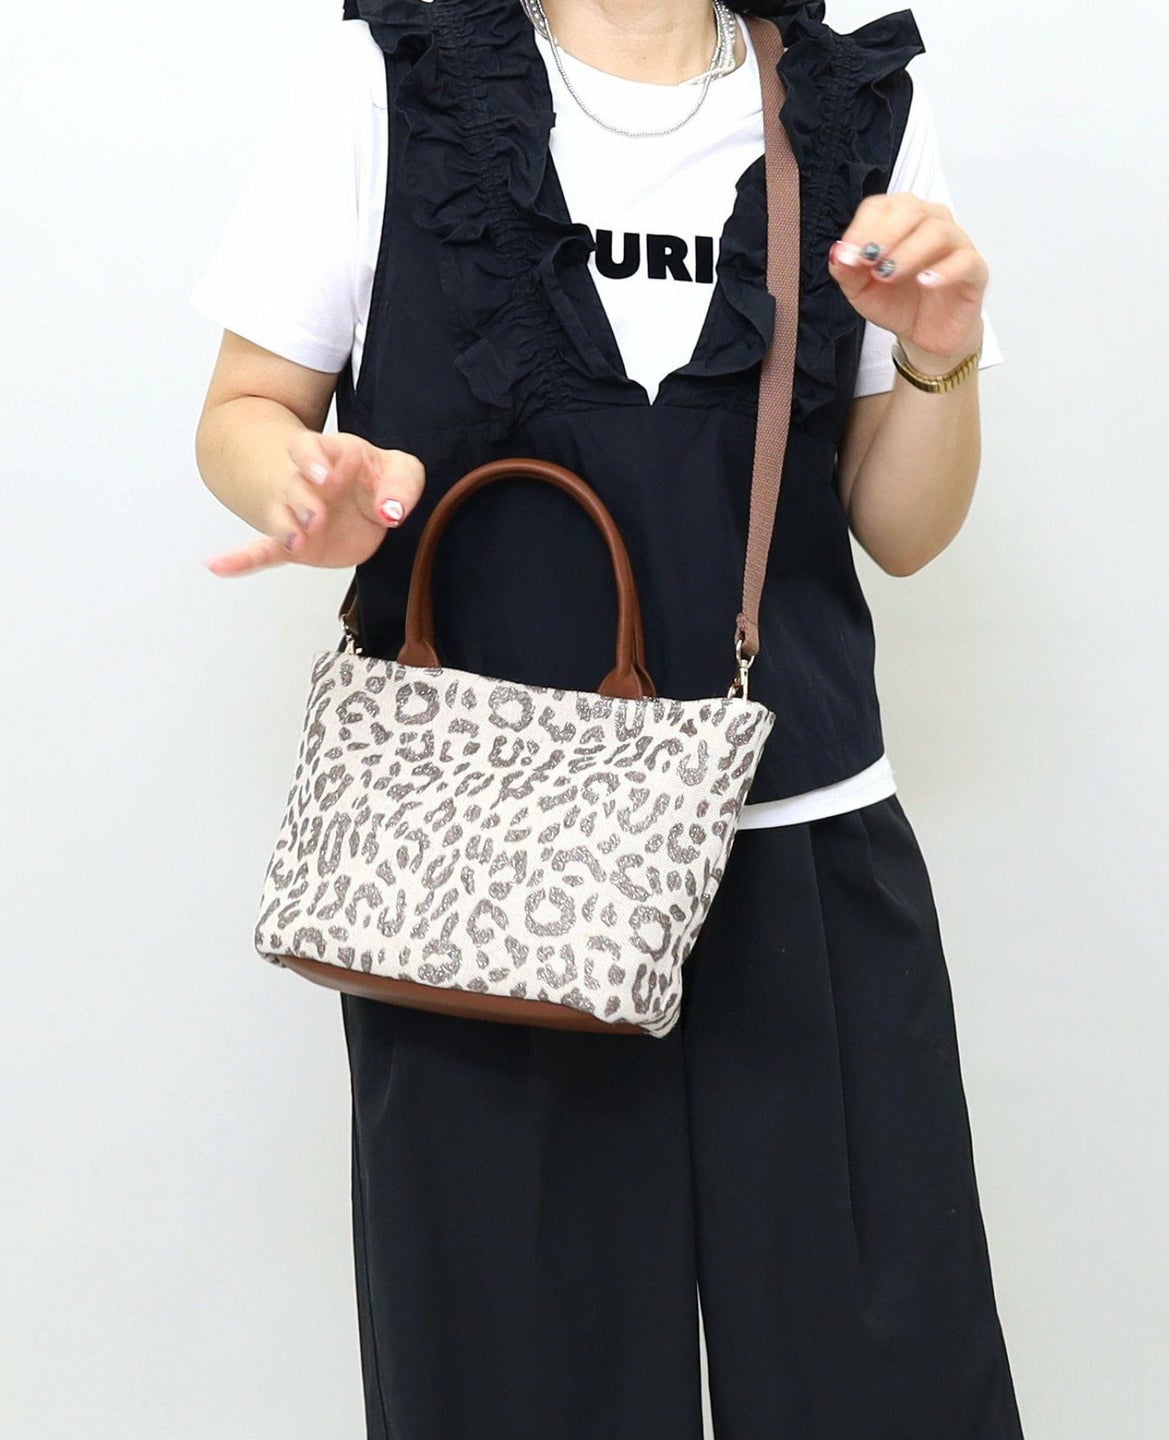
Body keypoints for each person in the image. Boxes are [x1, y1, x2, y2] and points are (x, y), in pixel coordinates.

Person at [192, 0, 1026, 1435]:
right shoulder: (390, 76)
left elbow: (900, 528)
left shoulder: (848, 105)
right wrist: (303, 485)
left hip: (801, 842)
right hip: (477, 875)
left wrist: (939, 355)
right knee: (512, 1384)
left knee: (879, 1379)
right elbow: (246, 408)